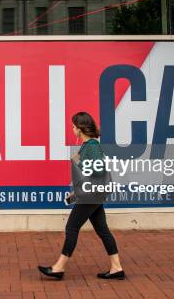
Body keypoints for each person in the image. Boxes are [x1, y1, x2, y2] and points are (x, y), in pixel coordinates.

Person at [38, 112, 125, 280]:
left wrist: (77, 161)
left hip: (91, 196)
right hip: (93, 194)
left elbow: (98, 170)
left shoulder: (91, 145)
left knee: (71, 228)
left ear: (80, 129)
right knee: (103, 230)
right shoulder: (88, 145)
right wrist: (76, 192)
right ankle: (116, 268)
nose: (72, 129)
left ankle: (58, 268)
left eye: (73, 126)